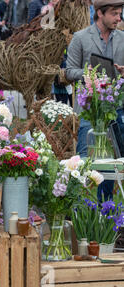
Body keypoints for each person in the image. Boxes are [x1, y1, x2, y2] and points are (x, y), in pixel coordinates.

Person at [66, 0, 124, 202]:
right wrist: (89, 74)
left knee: (112, 163)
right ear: (100, 13)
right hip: (88, 110)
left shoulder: (123, 38)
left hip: (113, 110)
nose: (119, 18)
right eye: (115, 14)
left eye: (120, 14)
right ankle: (83, 207)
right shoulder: (80, 38)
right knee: (85, 161)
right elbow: (68, 71)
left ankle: (104, 209)